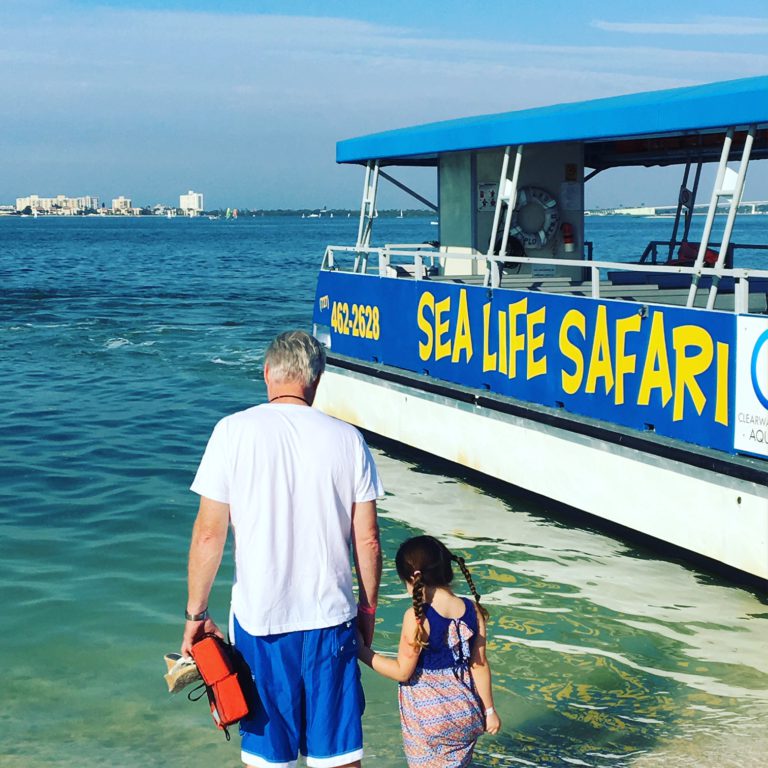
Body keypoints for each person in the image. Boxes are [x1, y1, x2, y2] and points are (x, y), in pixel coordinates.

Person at [181, 330, 383, 768]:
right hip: (331, 619)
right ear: (317, 379)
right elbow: (367, 539)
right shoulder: (348, 438)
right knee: (340, 756)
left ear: (267, 373)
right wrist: (367, 612)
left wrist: (197, 615)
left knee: (268, 759)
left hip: (261, 622)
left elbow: (208, 535)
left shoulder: (231, 431)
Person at [357, 535, 500, 768]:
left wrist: (361, 650)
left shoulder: (417, 617)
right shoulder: (472, 610)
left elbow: (403, 672)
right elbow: (480, 664)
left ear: (412, 578)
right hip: (467, 712)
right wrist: (490, 711)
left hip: (429, 716)